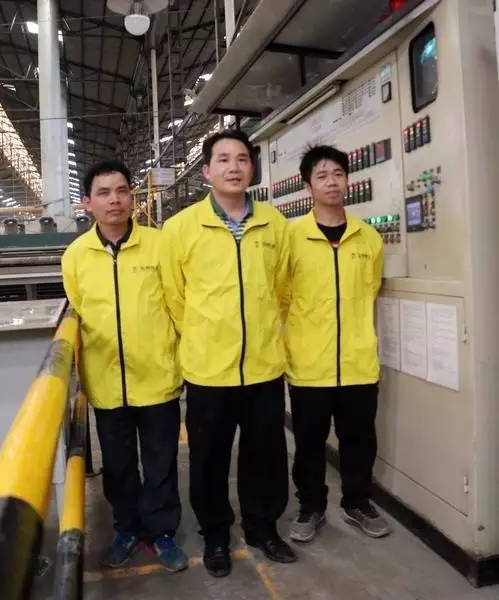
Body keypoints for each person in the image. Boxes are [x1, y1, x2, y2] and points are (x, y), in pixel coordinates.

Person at [160, 130, 296, 578]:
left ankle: (263, 528)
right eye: (223, 159)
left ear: (252, 168)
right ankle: (215, 534)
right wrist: (203, 335)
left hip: (263, 367)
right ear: (206, 171)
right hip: (208, 371)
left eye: (241, 159)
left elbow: (282, 288)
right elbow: (175, 296)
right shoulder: (181, 228)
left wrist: (264, 332)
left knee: (266, 456)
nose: (233, 167)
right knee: (208, 460)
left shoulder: (275, 224)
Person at [61, 160, 188, 572]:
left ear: (132, 197)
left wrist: (183, 361)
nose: (114, 200)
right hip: (107, 382)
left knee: (160, 462)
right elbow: (78, 313)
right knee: (118, 466)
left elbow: (179, 306)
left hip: (157, 377)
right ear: (87, 203)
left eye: (121, 191)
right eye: (103, 193)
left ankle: (162, 532)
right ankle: (127, 529)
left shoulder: (160, 245)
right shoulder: (76, 256)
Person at [285, 145, 390, 543]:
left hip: (358, 362)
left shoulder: (369, 238)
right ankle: (311, 506)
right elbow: (280, 297)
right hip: (309, 365)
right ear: (307, 185)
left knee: (360, 441)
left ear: (348, 180)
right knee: (309, 444)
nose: (332, 182)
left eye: (338, 174)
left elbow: (371, 290)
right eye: (322, 176)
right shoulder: (291, 237)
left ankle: (357, 502)